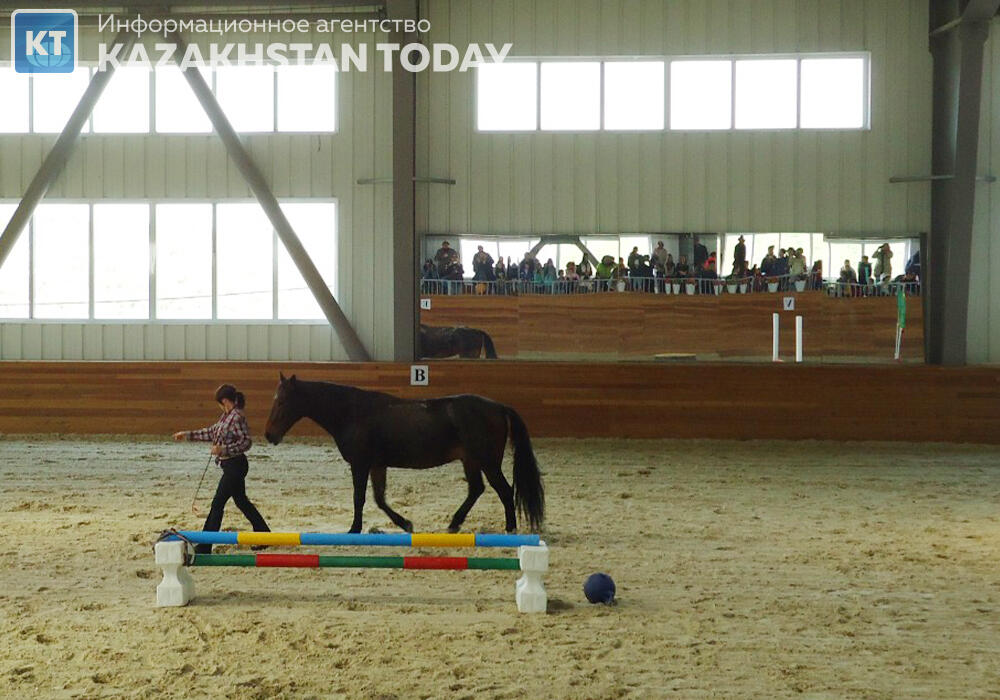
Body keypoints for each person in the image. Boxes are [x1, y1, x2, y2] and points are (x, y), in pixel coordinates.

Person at [173, 384, 270, 554]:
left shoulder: (237, 416)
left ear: (224, 401)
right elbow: (211, 432)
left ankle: (205, 544)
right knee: (241, 501)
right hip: (230, 466)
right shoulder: (226, 416)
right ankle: (264, 534)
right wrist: (187, 434)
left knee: (217, 504)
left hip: (235, 465)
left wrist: (223, 449)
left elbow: (246, 442)